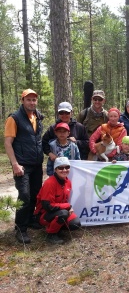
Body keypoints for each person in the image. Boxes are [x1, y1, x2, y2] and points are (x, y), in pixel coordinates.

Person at [4, 88, 44, 244]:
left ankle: (30, 219)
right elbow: (8, 143)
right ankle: (20, 228)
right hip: (22, 165)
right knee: (24, 196)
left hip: (36, 163)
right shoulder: (14, 119)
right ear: (22, 101)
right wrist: (15, 164)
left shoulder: (37, 117)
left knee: (35, 194)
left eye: (34, 100)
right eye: (28, 99)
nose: (32, 102)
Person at [34, 157, 81, 244]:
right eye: (60, 168)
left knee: (75, 223)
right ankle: (51, 234)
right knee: (63, 213)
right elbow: (48, 206)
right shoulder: (49, 183)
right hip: (44, 214)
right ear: (55, 169)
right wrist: (68, 206)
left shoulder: (68, 182)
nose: (64, 170)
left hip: (58, 210)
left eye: (67, 167)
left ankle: (56, 227)